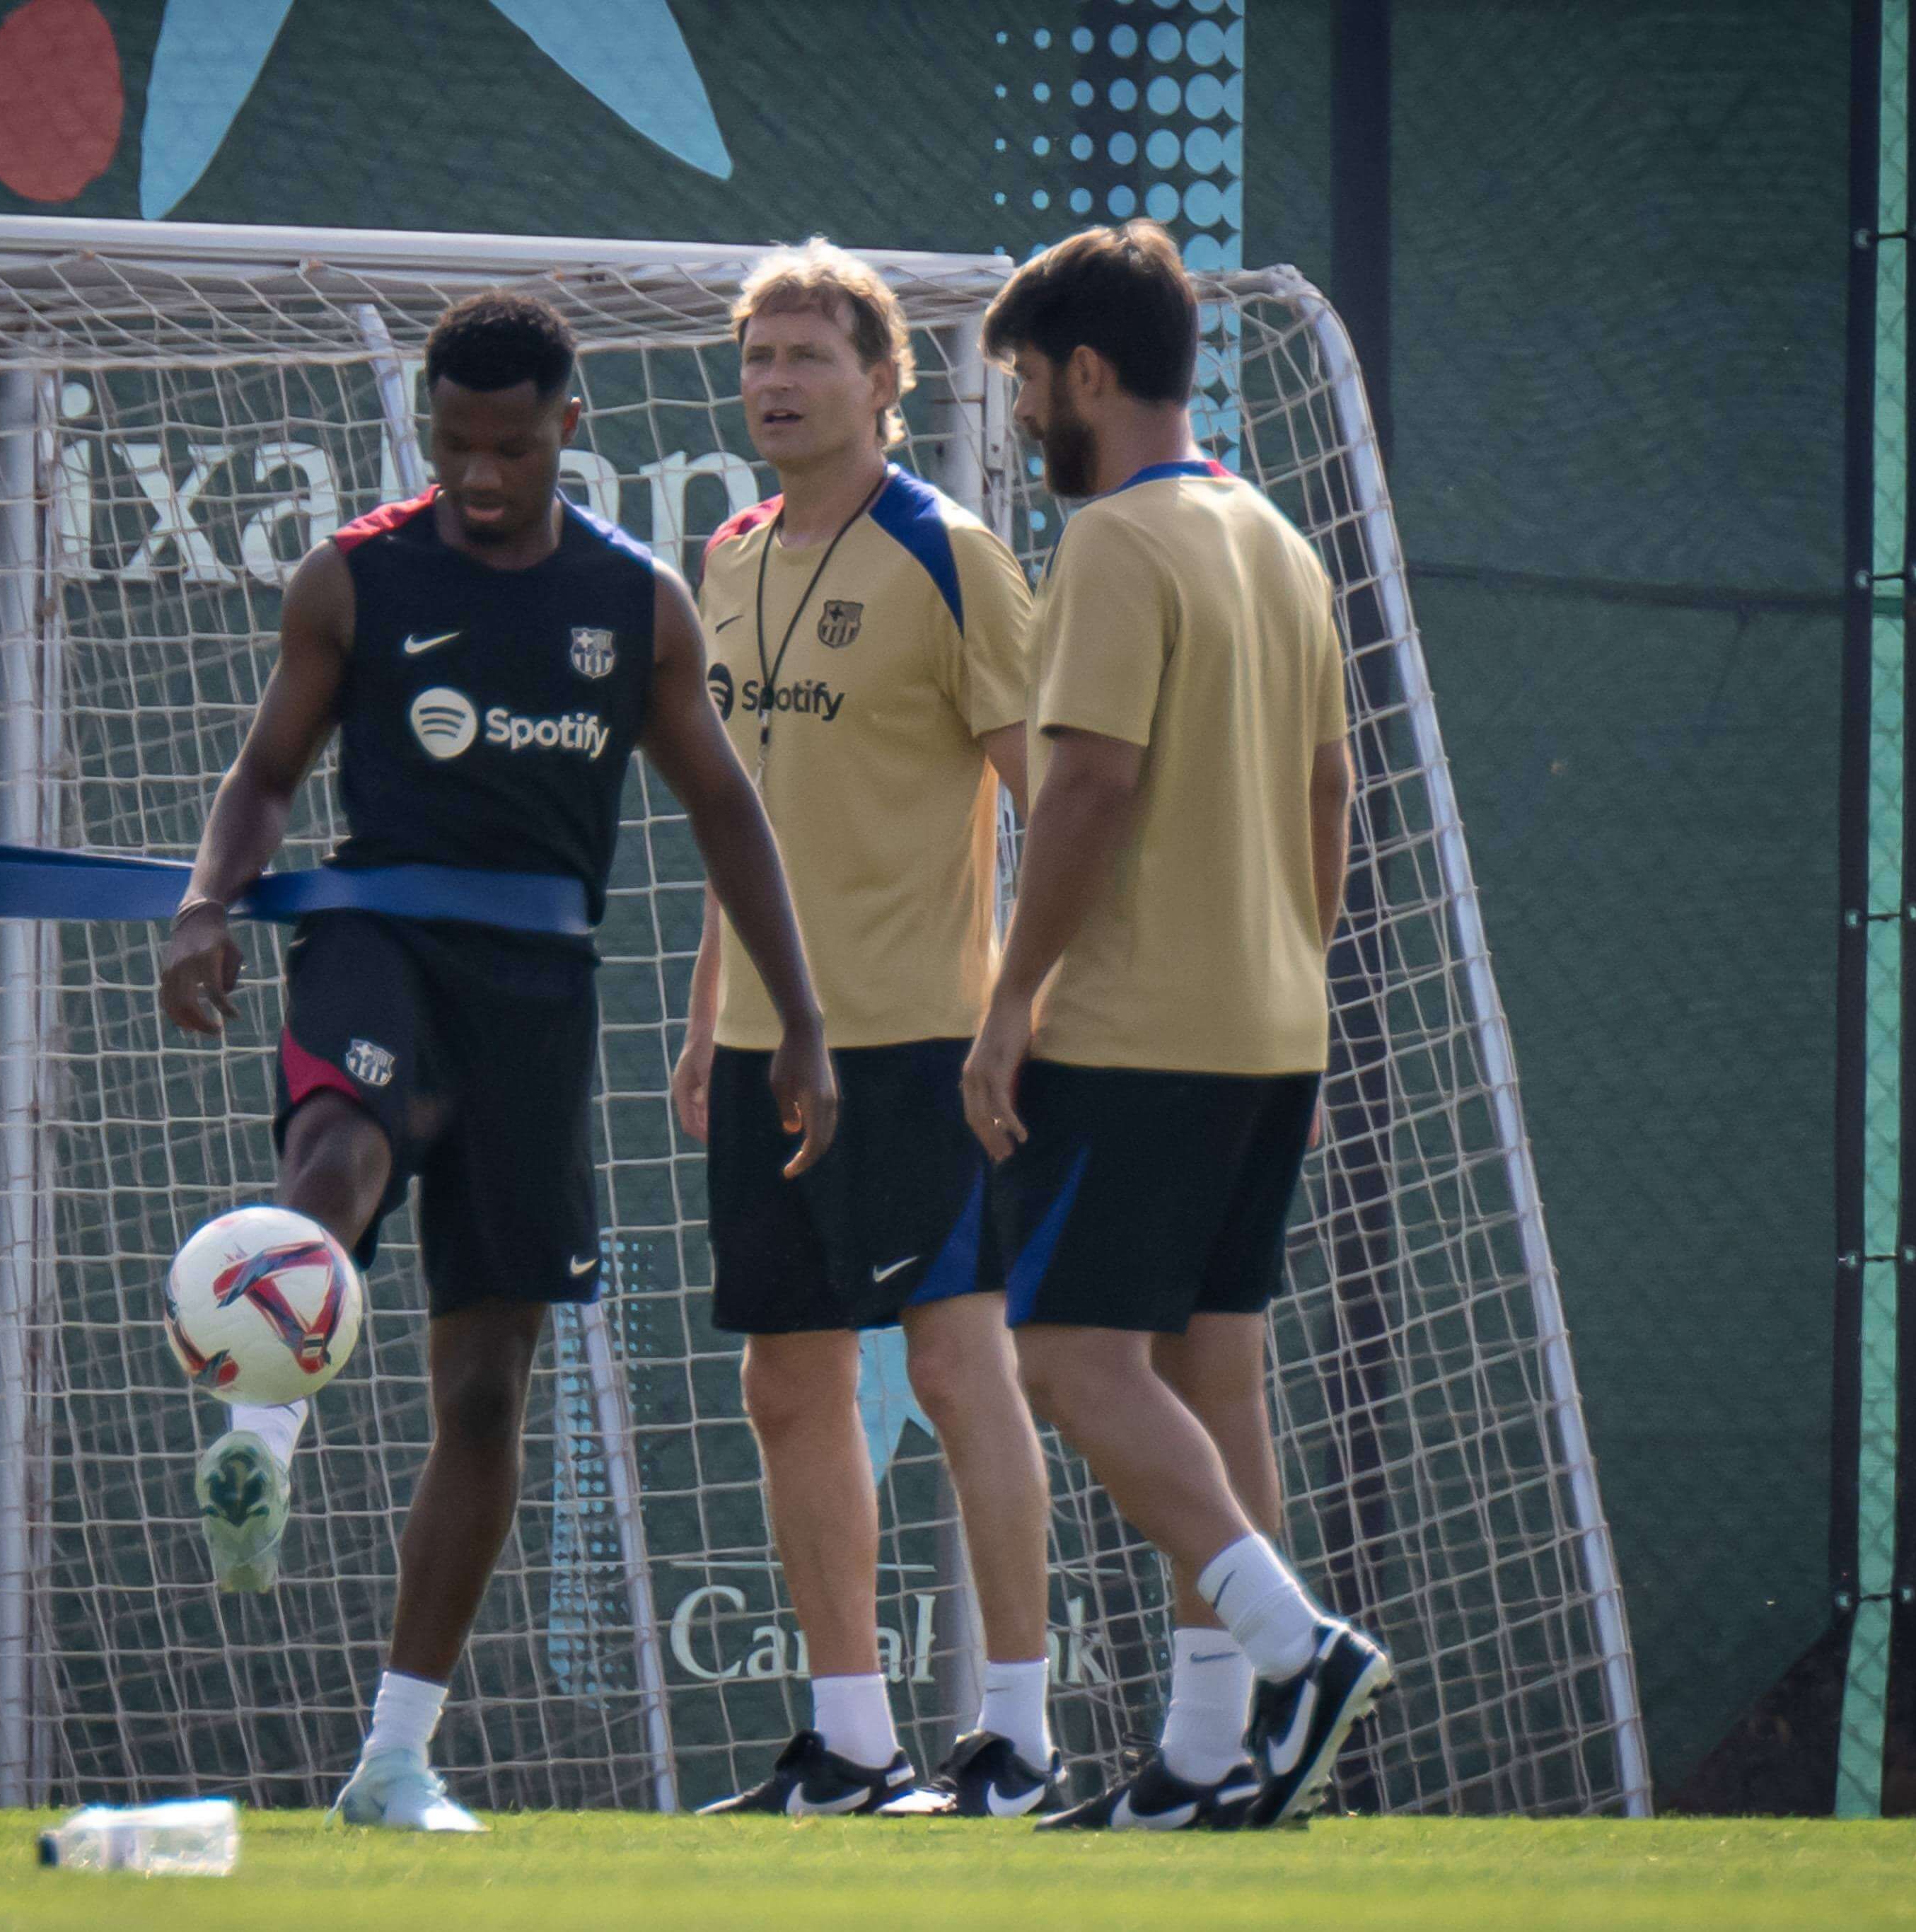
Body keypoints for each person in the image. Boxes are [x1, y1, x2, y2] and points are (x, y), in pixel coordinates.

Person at [157, 291, 836, 1833]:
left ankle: (394, 1761)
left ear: (565, 431)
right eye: (452, 443)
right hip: (377, 938)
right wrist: (205, 907)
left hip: (539, 992)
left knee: (482, 1391)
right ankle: (261, 1426)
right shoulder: (353, 578)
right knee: (340, 1149)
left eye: (508, 448)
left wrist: (799, 1016)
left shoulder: (637, 602)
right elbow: (264, 773)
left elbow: (727, 811)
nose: (476, 474)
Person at [959, 222, 1388, 1833]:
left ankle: (1295, 1650)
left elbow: (1084, 785)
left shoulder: (1117, 543)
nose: (1020, 417)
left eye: (1024, 383)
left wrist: (1009, 1002)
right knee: (1215, 1379)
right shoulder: (1275, 540)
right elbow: (1331, 791)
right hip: (1271, 1029)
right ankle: (1210, 1761)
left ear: (1084, 372)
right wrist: (1290, 970)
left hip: (1134, 1031)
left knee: (1067, 1358)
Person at [668, 242, 1057, 1818]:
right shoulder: (725, 555)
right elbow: (738, 819)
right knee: (784, 1383)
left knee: (958, 1367)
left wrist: (1020, 1014)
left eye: (809, 356)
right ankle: (851, 1745)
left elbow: (1055, 805)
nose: (775, 383)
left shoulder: (950, 554)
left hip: (917, 1046)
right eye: (757, 356)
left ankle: (1017, 1737)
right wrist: (709, 1017)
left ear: (885, 379)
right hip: (768, 1046)